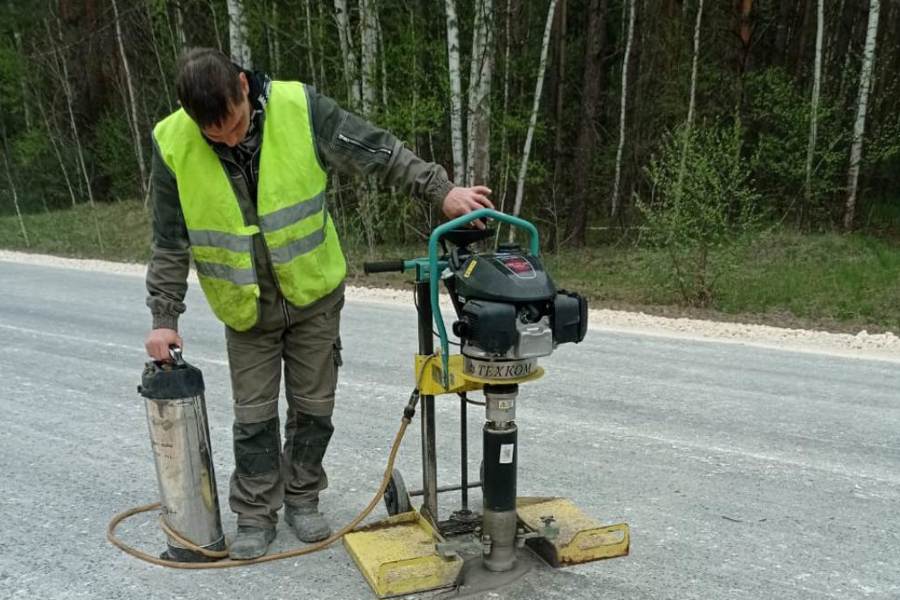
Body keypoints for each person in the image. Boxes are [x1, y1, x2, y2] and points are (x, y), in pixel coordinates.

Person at [144, 48, 493, 559]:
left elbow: (377, 150)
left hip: (314, 296)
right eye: (215, 135)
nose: (230, 139)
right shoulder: (172, 142)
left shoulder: (299, 107)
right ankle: (255, 514)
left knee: (314, 409)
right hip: (246, 310)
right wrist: (163, 318)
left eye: (235, 125)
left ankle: (303, 499)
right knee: (254, 417)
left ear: (243, 86)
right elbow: (169, 241)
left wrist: (440, 190)